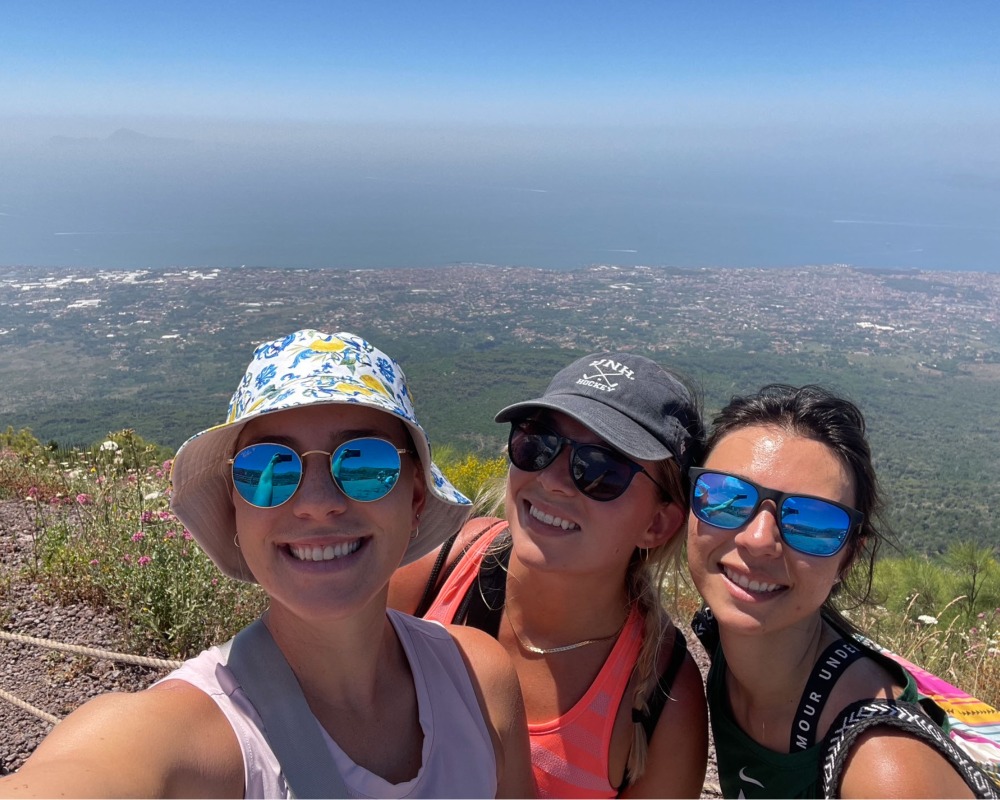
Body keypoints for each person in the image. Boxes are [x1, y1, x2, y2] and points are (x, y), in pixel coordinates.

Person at [0, 329, 534, 799]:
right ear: (235, 508)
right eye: (268, 467)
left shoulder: (481, 679)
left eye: (365, 463)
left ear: (415, 498)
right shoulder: (184, 738)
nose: (315, 501)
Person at [390, 351, 709, 798]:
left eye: (601, 469)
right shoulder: (435, 569)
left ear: (656, 524)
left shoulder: (661, 699)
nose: (554, 480)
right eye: (537, 444)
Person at [687, 383, 997, 799]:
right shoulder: (719, 642)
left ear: (849, 558)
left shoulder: (885, 767)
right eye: (725, 496)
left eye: (812, 522)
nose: (758, 538)